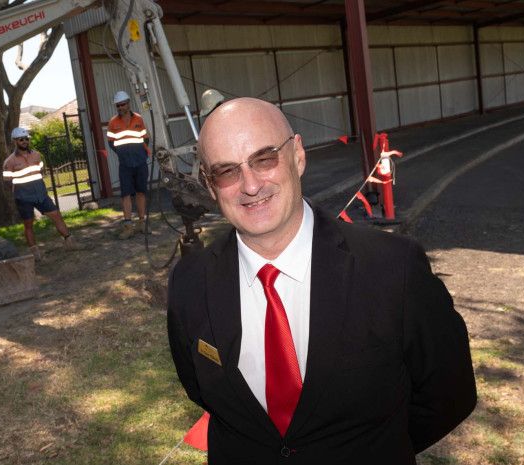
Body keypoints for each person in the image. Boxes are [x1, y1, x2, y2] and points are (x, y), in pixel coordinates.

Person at [166, 98, 476, 463]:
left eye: (264, 158)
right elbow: (201, 390)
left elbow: (449, 394)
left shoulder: (394, 268)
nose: (250, 185)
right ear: (210, 184)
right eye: (227, 171)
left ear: (297, 155)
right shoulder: (190, 282)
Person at [2, 127, 76, 259]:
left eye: (26, 139)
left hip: (41, 195)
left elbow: (41, 171)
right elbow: (7, 182)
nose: (24, 141)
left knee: (56, 215)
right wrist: (20, 192)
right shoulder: (9, 162)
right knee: (28, 224)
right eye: (21, 139)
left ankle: (70, 242)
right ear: (15, 141)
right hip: (23, 198)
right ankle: (36, 254)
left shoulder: (37, 155)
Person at [106, 90, 150, 239]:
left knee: (141, 192)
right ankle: (128, 226)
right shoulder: (113, 123)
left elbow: (146, 138)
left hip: (140, 162)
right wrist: (123, 154)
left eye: (122, 104)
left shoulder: (139, 119)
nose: (120, 107)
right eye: (117, 105)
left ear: (128, 103)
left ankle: (142, 223)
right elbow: (111, 143)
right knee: (125, 194)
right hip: (125, 164)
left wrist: (141, 153)